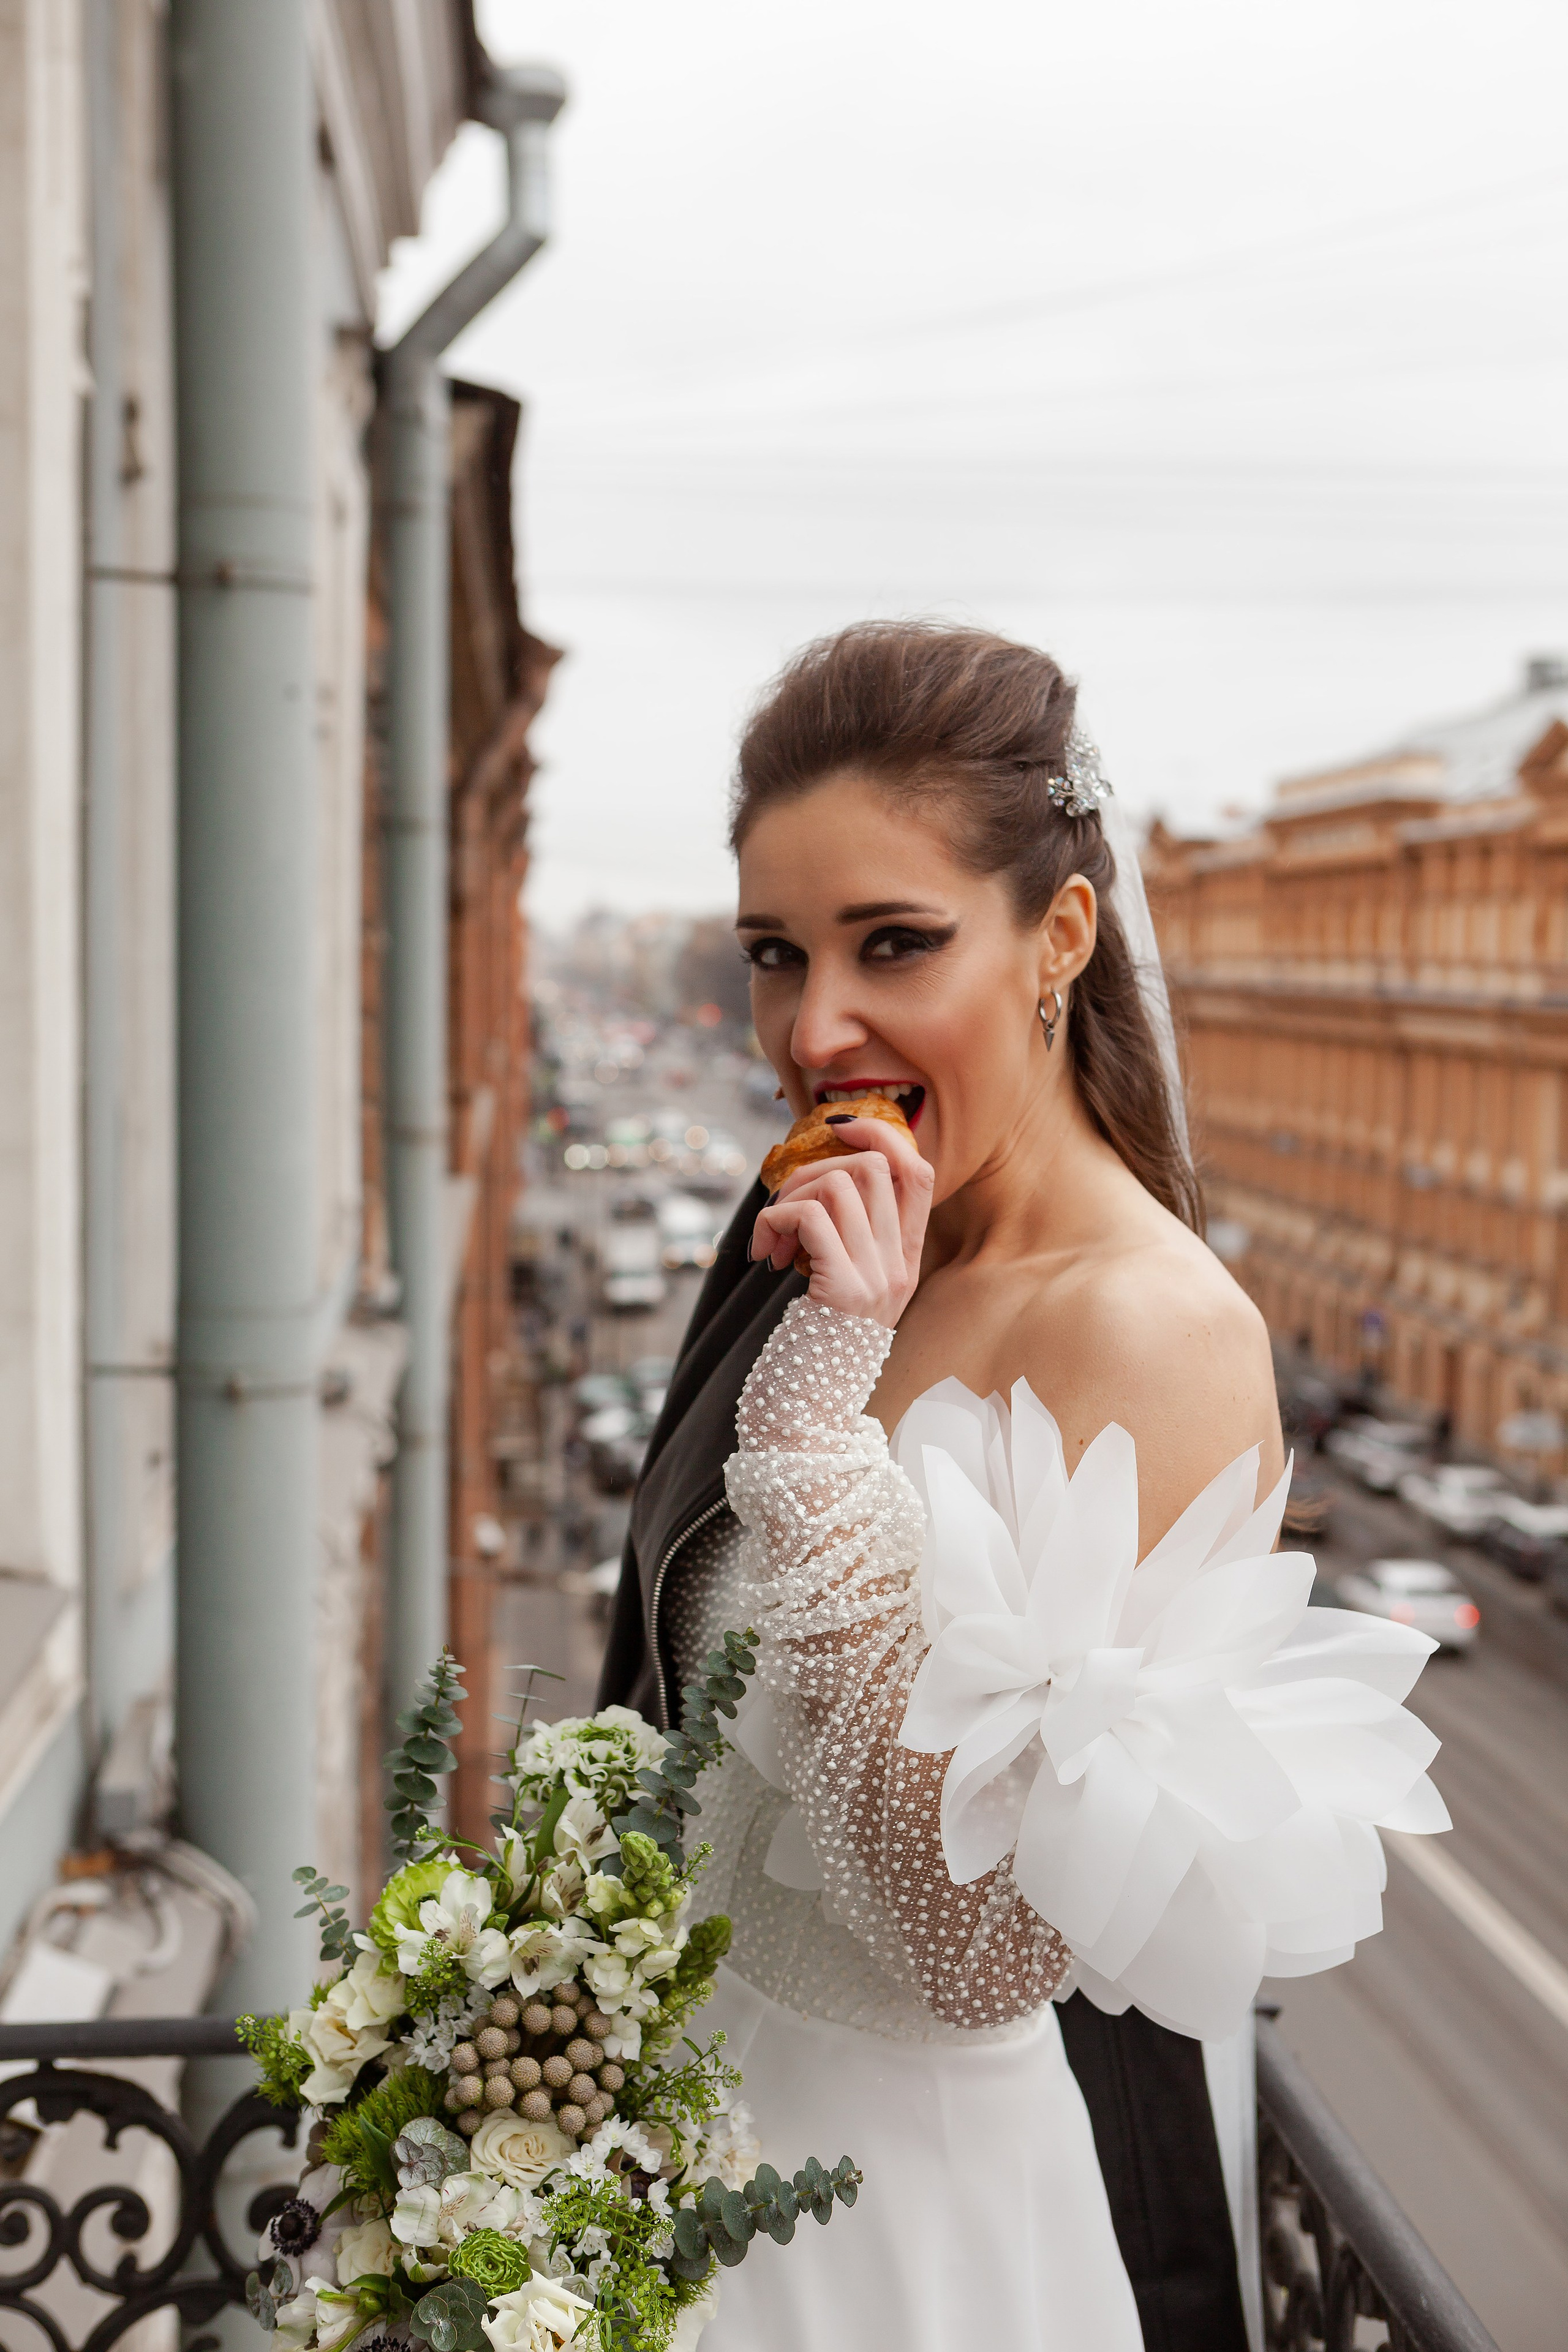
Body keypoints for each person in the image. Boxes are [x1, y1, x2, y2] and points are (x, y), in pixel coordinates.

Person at [598, 622, 1445, 2351]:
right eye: (776, 953)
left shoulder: (1147, 1328)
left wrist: (818, 1432)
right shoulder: (824, 1234)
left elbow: (978, 1953)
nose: (814, 1024)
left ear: (1060, 935)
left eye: (893, 945)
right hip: (671, 2138)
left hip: (899, 2228)